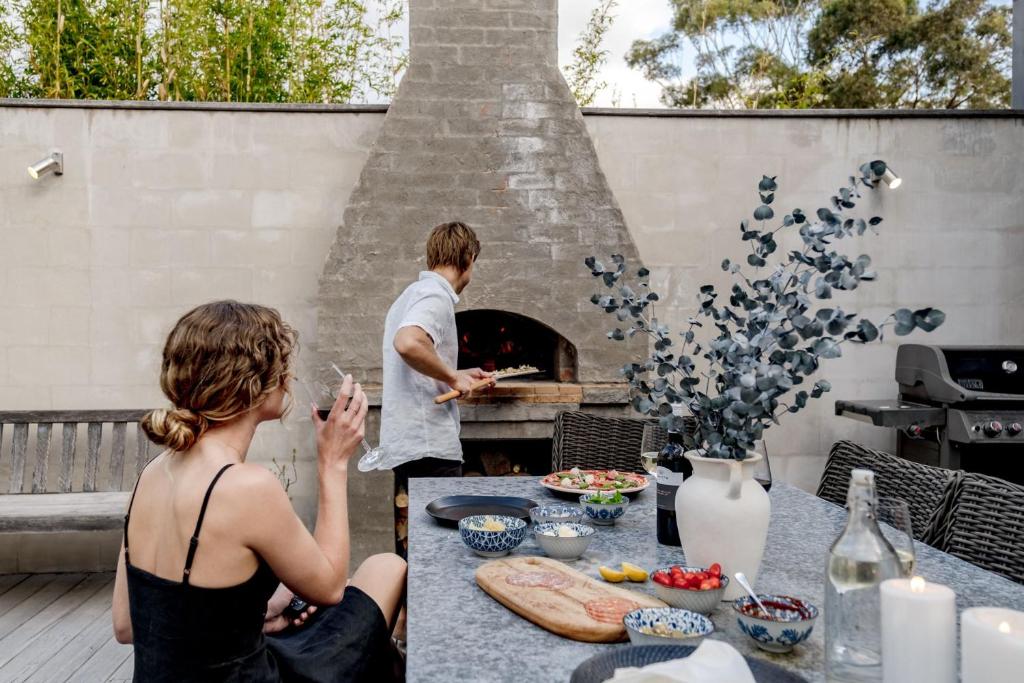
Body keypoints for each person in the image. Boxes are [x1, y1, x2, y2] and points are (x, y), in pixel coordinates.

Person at [112, 300, 406, 682]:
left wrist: (258, 611)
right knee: (389, 568)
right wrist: (332, 463)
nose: (289, 376)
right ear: (257, 382)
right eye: (282, 364)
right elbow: (331, 586)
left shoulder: (151, 474)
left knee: (380, 575)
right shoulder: (246, 486)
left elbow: (126, 625)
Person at [381, 221, 493, 556]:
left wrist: (454, 374)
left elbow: (415, 360)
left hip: (410, 438)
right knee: (443, 548)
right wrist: (454, 378)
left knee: (424, 545)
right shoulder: (435, 295)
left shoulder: (412, 294)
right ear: (468, 258)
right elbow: (408, 343)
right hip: (428, 443)